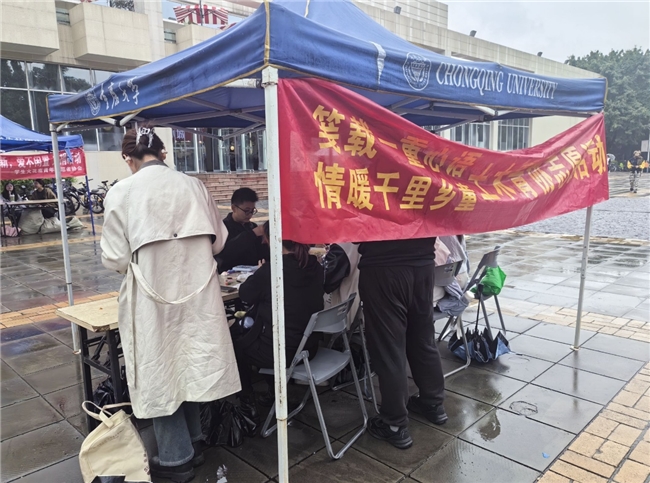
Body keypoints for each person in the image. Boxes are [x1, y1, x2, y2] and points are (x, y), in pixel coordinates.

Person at [101, 126, 240, 483]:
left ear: (128, 159)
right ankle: (193, 443)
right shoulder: (194, 185)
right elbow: (219, 242)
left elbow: (115, 257)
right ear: (164, 153)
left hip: (152, 298)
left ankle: (176, 458)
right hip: (197, 294)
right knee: (187, 364)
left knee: (159, 370)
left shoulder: (122, 192)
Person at [357, 237, 446, 450]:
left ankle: (394, 423)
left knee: (389, 348)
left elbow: (355, 230)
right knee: (423, 338)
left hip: (383, 267)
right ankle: (433, 404)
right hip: (423, 265)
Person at [234, 221, 324, 403]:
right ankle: (272, 392)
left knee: (233, 345)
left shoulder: (273, 270)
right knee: (261, 331)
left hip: (280, 351)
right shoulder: (314, 266)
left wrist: (260, 273)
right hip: (309, 347)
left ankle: (246, 401)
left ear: (272, 240)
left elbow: (245, 294)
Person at [215, 187, 269, 272]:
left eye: (252, 211)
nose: (250, 214)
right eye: (246, 211)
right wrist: (252, 234)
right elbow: (224, 254)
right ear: (234, 208)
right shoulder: (222, 228)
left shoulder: (252, 226)